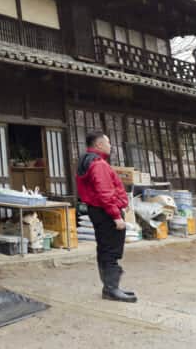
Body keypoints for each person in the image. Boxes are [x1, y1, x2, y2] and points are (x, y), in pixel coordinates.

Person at [76, 129, 137, 303]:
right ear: (99, 144)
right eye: (108, 142)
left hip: (96, 210)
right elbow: (105, 192)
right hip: (106, 211)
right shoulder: (98, 164)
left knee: (104, 248)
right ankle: (111, 288)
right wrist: (116, 216)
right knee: (111, 249)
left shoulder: (85, 162)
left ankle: (110, 287)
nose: (110, 145)